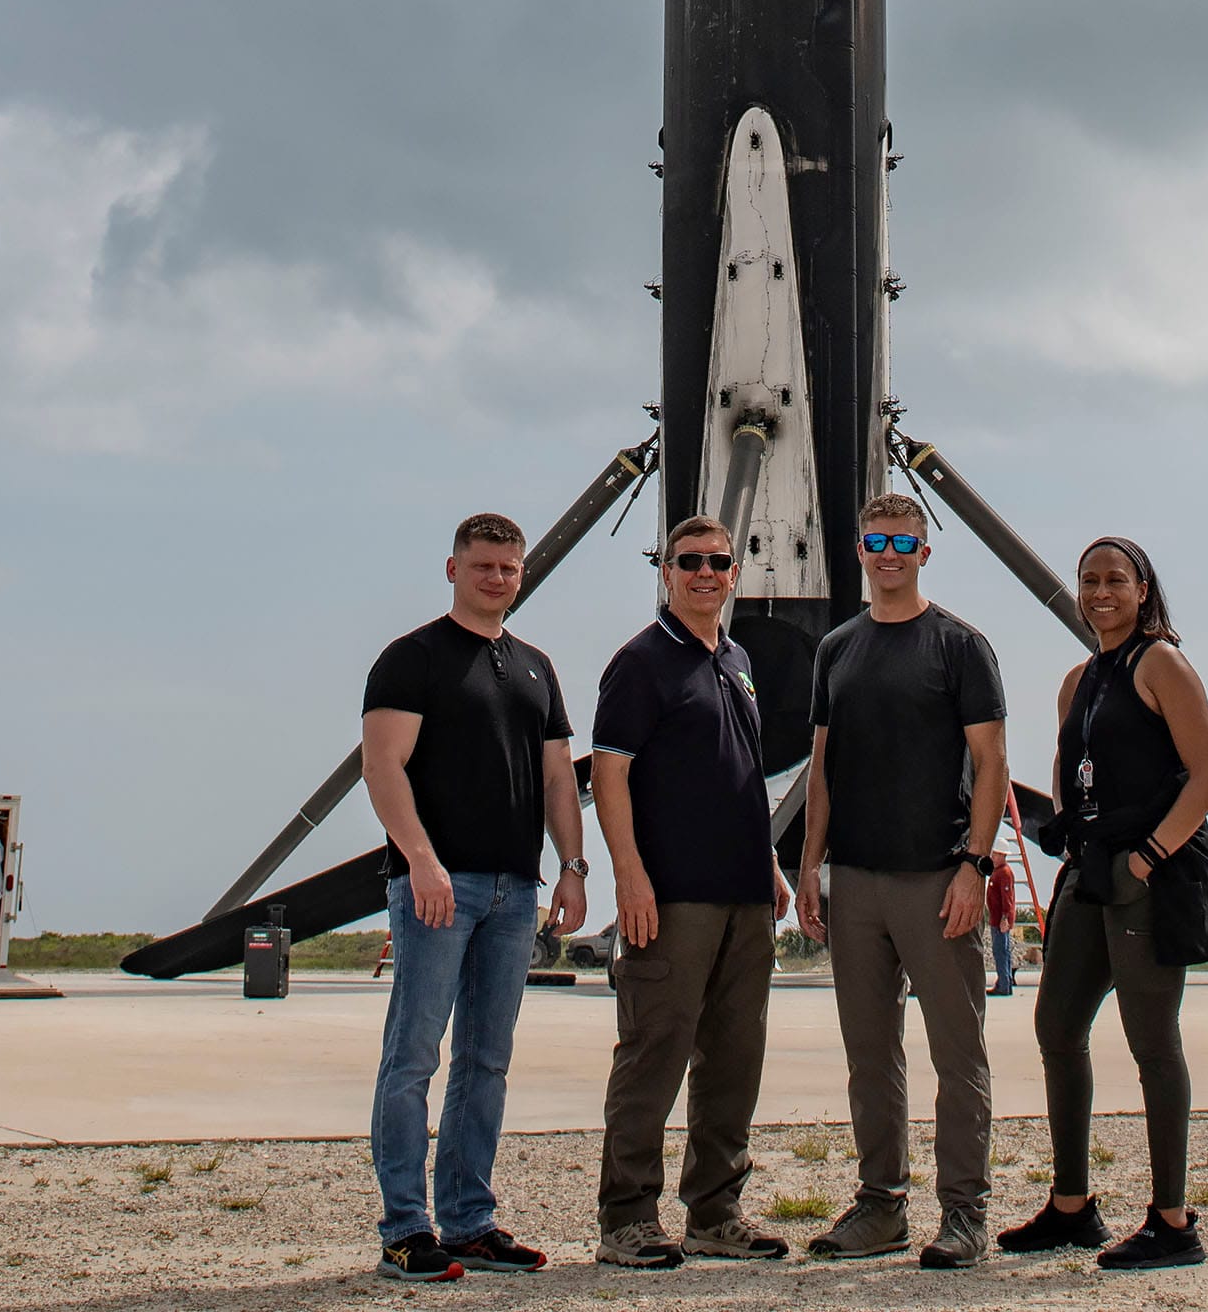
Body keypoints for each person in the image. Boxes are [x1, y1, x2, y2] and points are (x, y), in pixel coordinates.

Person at [361, 513, 587, 1283]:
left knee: (486, 1061)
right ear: (453, 568)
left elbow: (560, 777)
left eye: (509, 568)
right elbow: (384, 768)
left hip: (514, 890)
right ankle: (404, 1229)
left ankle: (468, 1221)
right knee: (413, 1059)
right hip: (436, 885)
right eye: (483, 565)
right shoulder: (412, 659)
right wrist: (420, 861)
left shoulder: (535, 667)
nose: (497, 578)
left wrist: (573, 866)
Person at [998, 534, 1208, 1275]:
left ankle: (1172, 1221)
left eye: (1115, 580)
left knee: (1151, 1041)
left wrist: (1147, 856)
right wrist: (1072, 838)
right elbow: (1069, 767)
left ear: (1142, 590)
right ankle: (1072, 1206)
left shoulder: (1161, 663)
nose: (1100, 592)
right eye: (1089, 580)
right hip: (1089, 876)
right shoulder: (1079, 680)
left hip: (1150, 876)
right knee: (1057, 1025)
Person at [797, 493, 1009, 1271]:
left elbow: (992, 763)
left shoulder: (960, 646)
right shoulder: (837, 650)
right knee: (870, 1051)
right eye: (875, 541)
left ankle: (964, 1213)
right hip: (855, 879)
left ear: (925, 552)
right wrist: (810, 866)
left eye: (902, 542)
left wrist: (973, 865)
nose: (888, 554)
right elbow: (823, 767)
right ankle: (880, 1206)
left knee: (958, 1053)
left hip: (936, 880)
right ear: (858, 549)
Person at [591, 515, 793, 1271]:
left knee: (734, 1058)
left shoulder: (734, 657)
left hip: (744, 893)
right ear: (666, 571)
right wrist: (629, 872)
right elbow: (609, 773)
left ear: (734, 573)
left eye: (718, 562)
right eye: (690, 562)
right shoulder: (641, 663)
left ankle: (715, 1210)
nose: (706, 573)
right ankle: (627, 1218)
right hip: (671, 896)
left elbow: (738, 772)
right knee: (655, 1051)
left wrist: (768, 863)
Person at [986, 850, 1018, 997]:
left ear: (1002, 856)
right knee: (1002, 951)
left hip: (999, 919)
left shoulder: (1003, 873)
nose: (992, 858)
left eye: (995, 855)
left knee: (1000, 951)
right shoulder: (998, 872)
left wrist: (1005, 917)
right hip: (997, 918)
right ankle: (1005, 982)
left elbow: (1007, 897)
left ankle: (1004, 985)